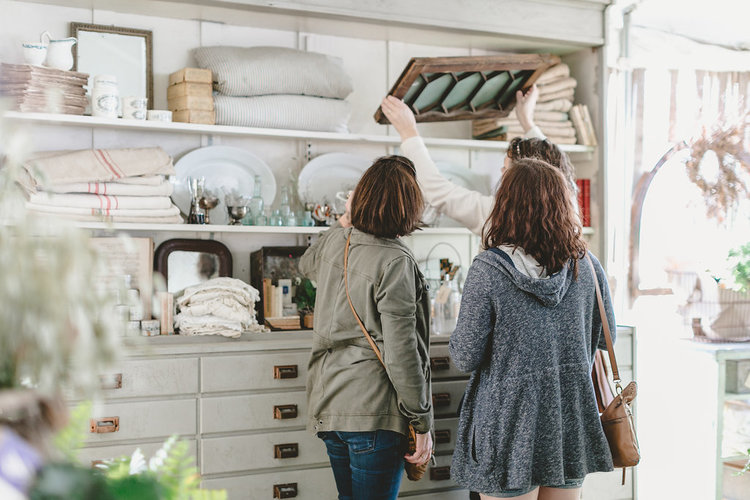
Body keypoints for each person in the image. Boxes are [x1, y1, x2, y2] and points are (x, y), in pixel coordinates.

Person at [448, 158, 616, 499]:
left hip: (509, 429)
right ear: (564, 205)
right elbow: (604, 334)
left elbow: (464, 357)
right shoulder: (587, 266)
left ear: (505, 207)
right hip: (569, 423)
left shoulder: (489, 269)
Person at [299, 155, 434, 500]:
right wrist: (421, 422)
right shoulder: (395, 261)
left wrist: (344, 221)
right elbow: (402, 353)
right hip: (373, 411)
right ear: (409, 205)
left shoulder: (336, 242)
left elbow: (305, 265)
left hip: (331, 406)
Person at [379, 86, 578, 236]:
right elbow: (552, 169)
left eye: (506, 169)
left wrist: (408, 132)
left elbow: (438, 190)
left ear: (523, 182)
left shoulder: (499, 216)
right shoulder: (568, 215)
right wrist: (527, 122)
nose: (501, 172)